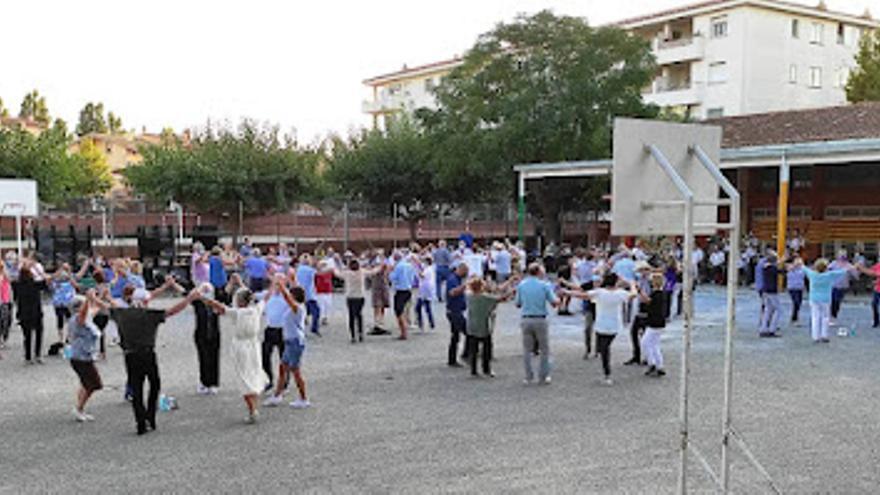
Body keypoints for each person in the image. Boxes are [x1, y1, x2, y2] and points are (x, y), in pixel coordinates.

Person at [109, 279, 197, 435]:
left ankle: (140, 422)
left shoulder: (121, 314)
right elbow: (172, 311)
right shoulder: (150, 315)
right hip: (147, 353)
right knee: (154, 384)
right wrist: (188, 299)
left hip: (130, 354)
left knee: (136, 388)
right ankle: (150, 416)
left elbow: (106, 306)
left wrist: (96, 297)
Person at [198, 286, 269, 424]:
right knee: (254, 372)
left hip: (241, 346)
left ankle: (252, 409)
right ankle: (253, 406)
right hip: (254, 345)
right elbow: (266, 298)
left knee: (244, 377)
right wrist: (275, 285)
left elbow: (216, 305)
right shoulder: (255, 310)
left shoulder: (237, 313)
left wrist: (201, 296)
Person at [566, 273, 638, 386]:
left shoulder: (599, 292)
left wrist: (567, 292)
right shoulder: (620, 293)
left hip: (601, 325)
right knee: (604, 348)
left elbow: (582, 295)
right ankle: (606, 372)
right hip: (614, 325)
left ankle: (607, 373)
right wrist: (632, 284)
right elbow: (633, 294)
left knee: (603, 348)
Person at [263, 279, 311, 409]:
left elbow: (287, 297)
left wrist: (282, 286)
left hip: (295, 341)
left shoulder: (297, 308)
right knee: (283, 368)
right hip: (290, 341)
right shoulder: (296, 307)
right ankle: (277, 395)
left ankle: (304, 398)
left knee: (295, 371)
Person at [515, 263, 559, 385]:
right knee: (544, 349)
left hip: (526, 318)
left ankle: (528, 376)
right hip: (540, 318)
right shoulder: (544, 285)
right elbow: (554, 302)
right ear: (539, 272)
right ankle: (543, 375)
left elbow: (518, 303)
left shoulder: (521, 285)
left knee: (527, 350)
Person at [66, 291, 106, 421]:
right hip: (81, 358)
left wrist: (100, 297)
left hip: (82, 356)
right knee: (94, 384)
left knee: (86, 383)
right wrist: (88, 300)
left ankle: (79, 409)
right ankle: (78, 408)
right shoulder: (78, 319)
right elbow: (83, 313)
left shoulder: (85, 318)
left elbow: (97, 308)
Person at [466, 277, 515, 378]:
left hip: (471, 326)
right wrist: (511, 291)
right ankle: (486, 369)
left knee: (473, 349)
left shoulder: (469, 296)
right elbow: (501, 299)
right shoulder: (485, 298)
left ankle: (473, 370)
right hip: (483, 326)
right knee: (486, 348)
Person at [802, 259, 849, 343]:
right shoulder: (829, 275)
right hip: (826, 299)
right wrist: (852, 267)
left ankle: (815, 336)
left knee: (815, 317)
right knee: (825, 317)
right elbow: (842, 272)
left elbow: (804, 268)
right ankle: (825, 335)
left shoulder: (812, 274)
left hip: (814, 298)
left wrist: (800, 262)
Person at [13, 263, 48, 363]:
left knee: (27, 336)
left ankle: (28, 357)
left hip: (24, 313)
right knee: (38, 334)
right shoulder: (35, 284)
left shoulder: (17, 285)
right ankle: (38, 355)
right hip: (36, 312)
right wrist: (38, 270)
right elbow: (45, 280)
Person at [192, 283, 221, 395]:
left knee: (214, 357)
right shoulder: (198, 303)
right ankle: (204, 383)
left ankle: (213, 383)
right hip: (201, 334)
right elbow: (188, 294)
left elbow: (227, 294)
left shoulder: (216, 304)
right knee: (203, 358)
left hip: (214, 334)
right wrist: (200, 289)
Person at [639, 273, 668, 377]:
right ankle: (659, 365)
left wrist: (640, 291)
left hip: (654, 321)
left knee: (645, 342)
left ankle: (652, 363)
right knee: (655, 344)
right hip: (660, 321)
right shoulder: (662, 294)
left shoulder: (656, 294)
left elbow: (647, 301)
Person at [388, 252, 416, 340]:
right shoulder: (409, 265)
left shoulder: (398, 267)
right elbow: (413, 277)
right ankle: (405, 329)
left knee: (399, 312)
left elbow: (392, 278)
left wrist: (390, 271)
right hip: (408, 290)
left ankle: (404, 332)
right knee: (404, 311)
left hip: (400, 290)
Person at [445, 263, 469, 367]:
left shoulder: (457, 279)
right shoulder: (453, 280)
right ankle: (464, 355)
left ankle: (453, 358)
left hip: (456, 310)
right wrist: (463, 287)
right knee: (467, 332)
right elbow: (452, 293)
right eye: (465, 272)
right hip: (454, 311)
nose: (466, 275)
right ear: (460, 270)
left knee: (456, 335)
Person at [295, 254, 321, 336]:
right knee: (316, 312)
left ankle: (300, 329)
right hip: (310, 295)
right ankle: (314, 328)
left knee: (302, 314)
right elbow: (319, 272)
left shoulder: (298, 269)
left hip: (300, 294)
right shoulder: (310, 270)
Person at [759, 253, 782, 338]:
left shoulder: (765, 267)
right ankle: (772, 329)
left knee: (767, 310)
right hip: (772, 291)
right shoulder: (772, 268)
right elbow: (781, 271)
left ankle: (763, 328)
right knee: (778, 310)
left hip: (765, 290)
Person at [856, 260, 880, 328]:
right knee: (874, 304)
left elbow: (873, 273)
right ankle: (876, 321)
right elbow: (870, 271)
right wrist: (861, 268)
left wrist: (861, 268)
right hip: (877, 289)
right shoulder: (878, 265)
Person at [415, 257, 435, 332]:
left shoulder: (428, 269)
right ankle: (428, 324)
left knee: (422, 308)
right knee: (424, 308)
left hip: (426, 290)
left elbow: (422, 276)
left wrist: (417, 271)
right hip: (424, 290)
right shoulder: (428, 269)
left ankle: (425, 325)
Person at [785, 257, 806, 324]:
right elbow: (787, 268)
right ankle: (794, 318)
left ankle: (795, 317)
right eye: (797, 261)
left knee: (799, 303)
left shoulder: (802, 269)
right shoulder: (790, 268)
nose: (799, 263)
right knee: (796, 302)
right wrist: (794, 266)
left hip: (800, 288)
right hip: (792, 288)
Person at [315, 261, 334, 326]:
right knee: (321, 305)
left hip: (328, 290)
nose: (323, 266)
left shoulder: (329, 272)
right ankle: (323, 318)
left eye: (324, 265)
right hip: (320, 291)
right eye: (322, 265)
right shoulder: (317, 272)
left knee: (328, 305)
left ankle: (326, 317)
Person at [0, 262, 12, 353]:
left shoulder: (4, 275)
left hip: (5, 300)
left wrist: (3, 269)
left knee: (5, 320)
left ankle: (4, 338)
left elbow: (9, 278)